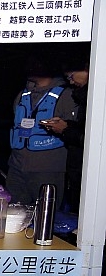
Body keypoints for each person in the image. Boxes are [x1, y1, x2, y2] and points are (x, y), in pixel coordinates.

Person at [6, 58, 76, 207]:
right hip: (17, 167)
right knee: (14, 214)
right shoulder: (22, 95)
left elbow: (75, 131)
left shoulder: (66, 95)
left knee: (46, 214)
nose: (29, 67)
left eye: (34, 63)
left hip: (47, 170)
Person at [41, 60, 89, 213]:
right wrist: (65, 125)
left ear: (86, 69)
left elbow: (92, 140)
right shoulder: (84, 96)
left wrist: (65, 130)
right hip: (77, 170)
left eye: (71, 76)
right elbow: (84, 128)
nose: (71, 82)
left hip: (86, 172)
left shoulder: (96, 98)